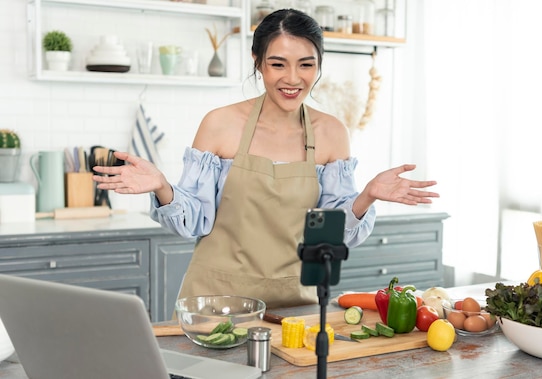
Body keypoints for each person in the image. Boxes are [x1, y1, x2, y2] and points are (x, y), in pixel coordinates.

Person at [93, 9, 439, 309]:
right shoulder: (221, 124)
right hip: (215, 301)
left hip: (295, 303)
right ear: (257, 61)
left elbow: (332, 239)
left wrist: (367, 196)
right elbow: (195, 220)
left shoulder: (332, 133)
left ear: (319, 65)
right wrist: (163, 186)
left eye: (306, 65)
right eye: (278, 64)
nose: (292, 79)